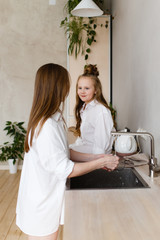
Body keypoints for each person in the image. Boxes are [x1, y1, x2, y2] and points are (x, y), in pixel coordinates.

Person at [16, 63, 119, 240]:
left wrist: (98, 157)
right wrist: (101, 162)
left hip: (46, 200)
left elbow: (66, 153)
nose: (69, 89)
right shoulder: (47, 126)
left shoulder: (54, 119)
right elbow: (66, 169)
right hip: (42, 204)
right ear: (57, 87)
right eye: (67, 84)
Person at [69, 64, 115, 156]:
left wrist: (96, 163)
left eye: (87, 88)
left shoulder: (101, 111)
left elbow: (101, 146)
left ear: (96, 90)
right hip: (88, 150)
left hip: (97, 155)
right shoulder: (84, 109)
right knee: (63, 151)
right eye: (80, 88)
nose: (82, 91)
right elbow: (82, 139)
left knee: (64, 153)